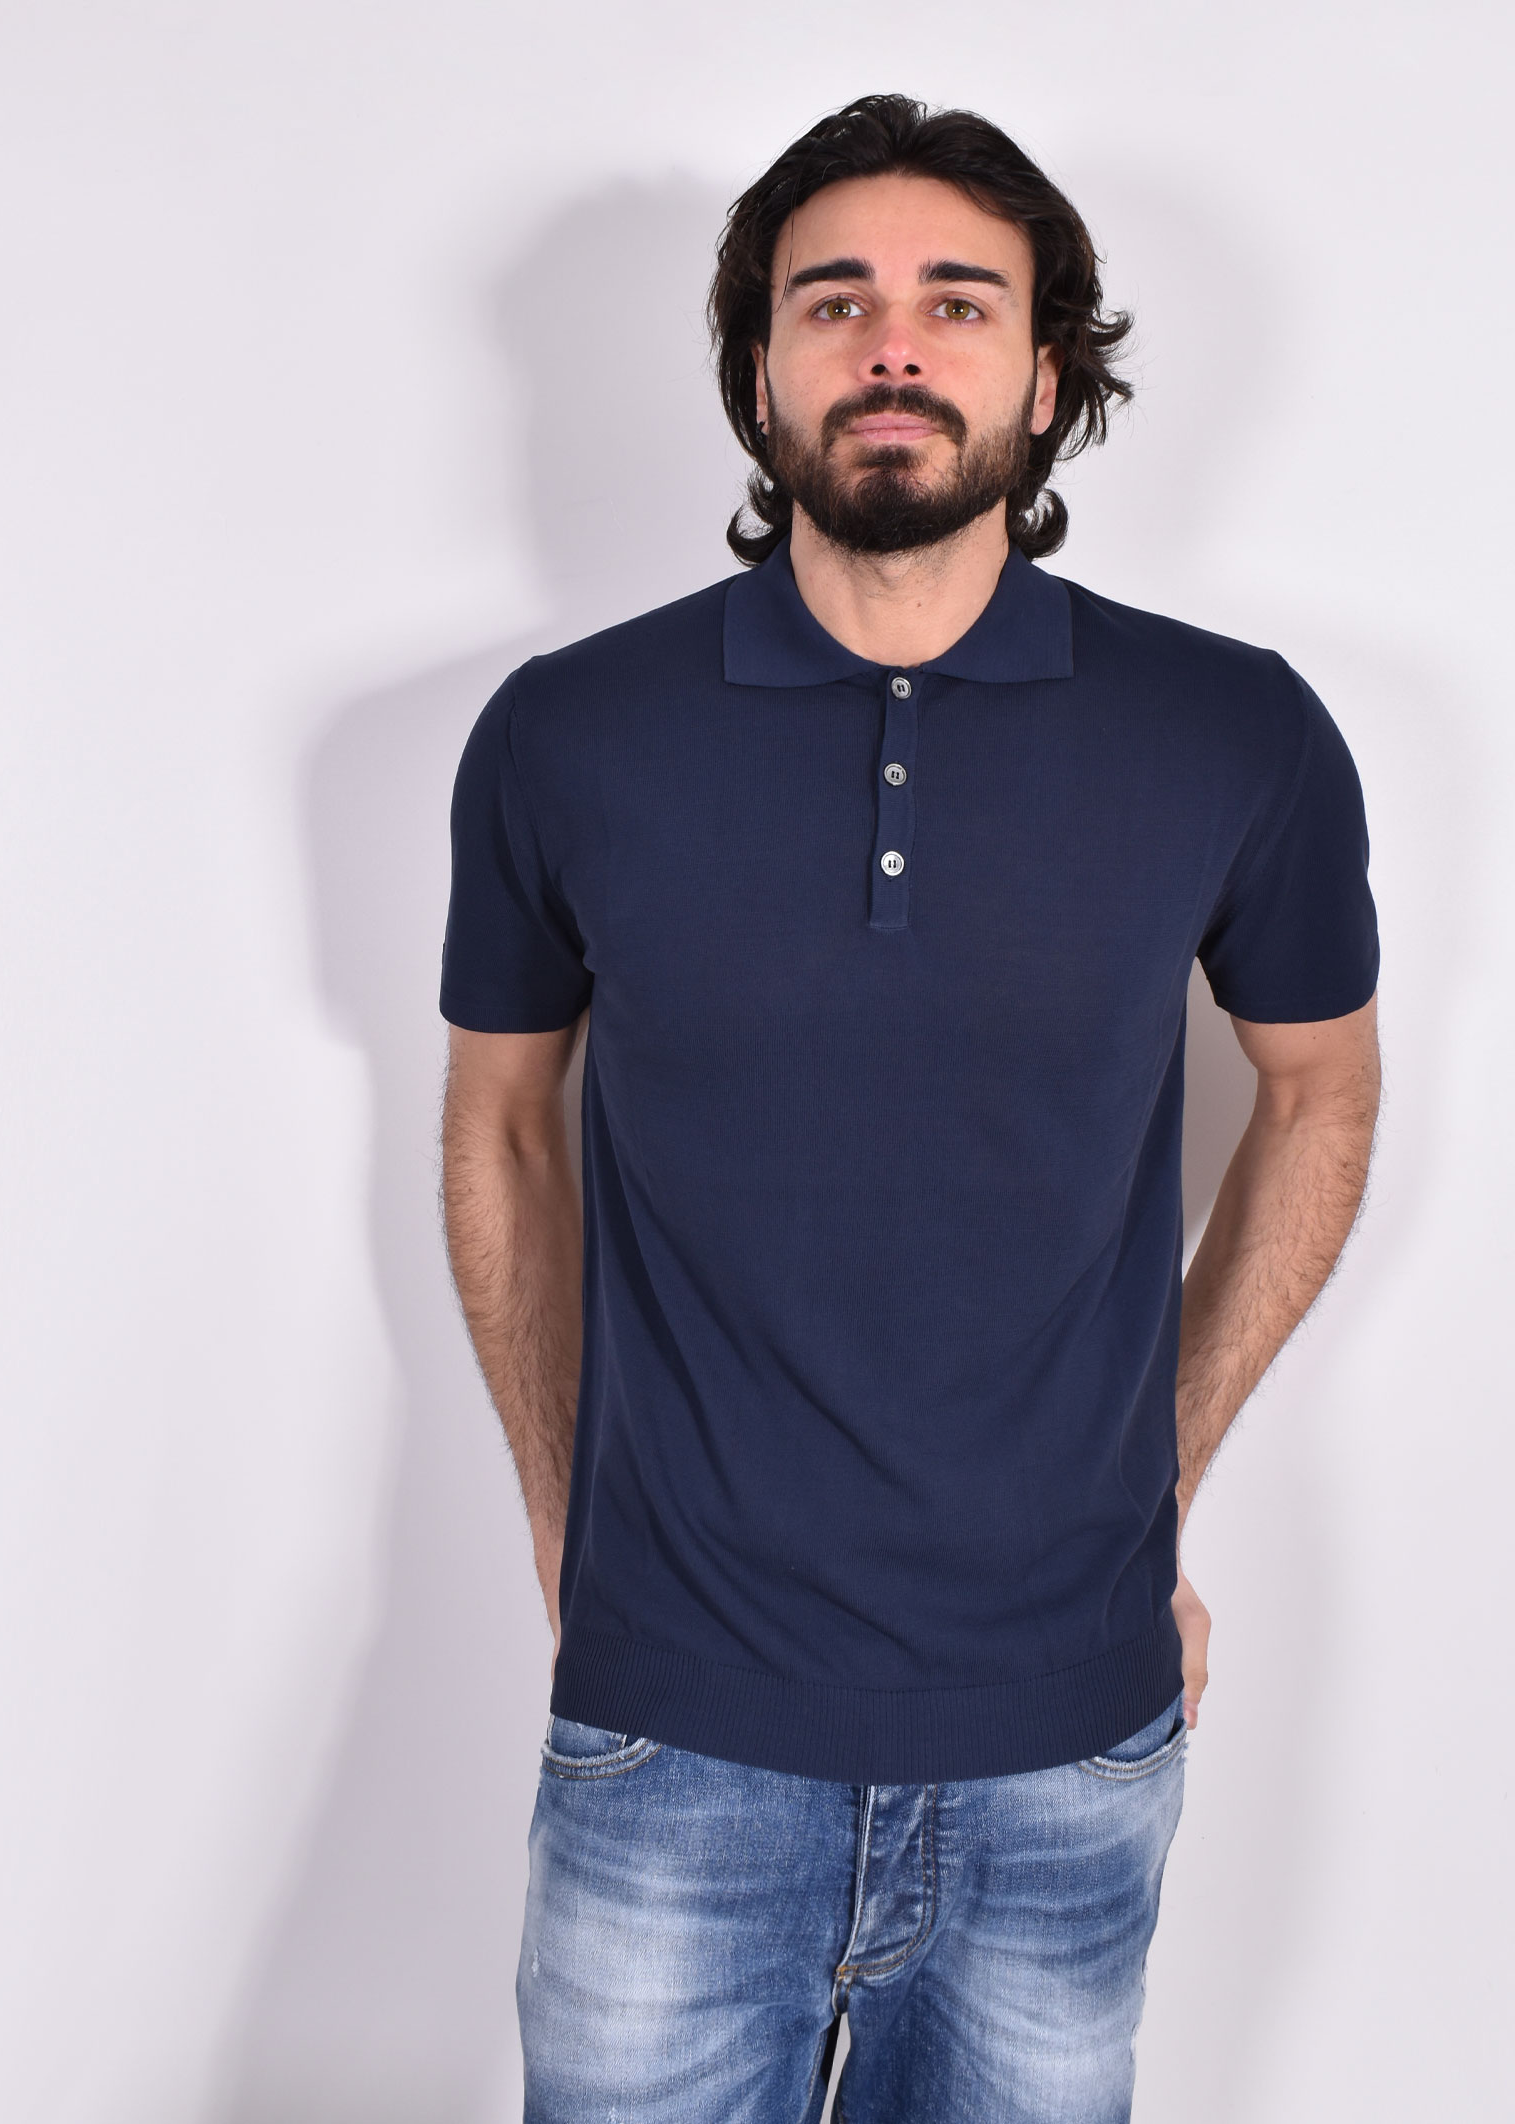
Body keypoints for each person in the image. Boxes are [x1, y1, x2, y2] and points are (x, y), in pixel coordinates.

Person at [437, 92, 1381, 2124]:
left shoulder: (1234, 733)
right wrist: (567, 1533)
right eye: (832, 301)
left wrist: (1153, 1487)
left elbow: (1319, 1092)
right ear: (757, 369)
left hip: (1068, 1754)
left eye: (957, 302)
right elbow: (500, 1127)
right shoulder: (563, 735)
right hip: (667, 1743)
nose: (891, 345)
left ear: (1044, 377)